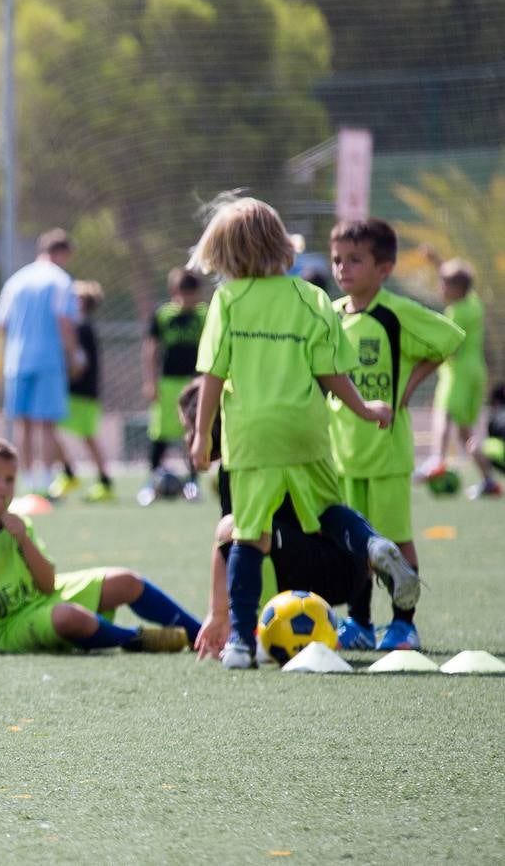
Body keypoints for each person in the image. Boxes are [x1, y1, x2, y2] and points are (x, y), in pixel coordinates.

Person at [187, 196, 413, 669]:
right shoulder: (312, 298)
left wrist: (203, 434)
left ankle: (243, 644)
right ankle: (371, 542)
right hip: (306, 429)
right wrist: (363, 406)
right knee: (329, 509)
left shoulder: (227, 300)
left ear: (224, 255)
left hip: (251, 436)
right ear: (280, 245)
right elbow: (330, 371)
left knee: (248, 535)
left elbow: (211, 374)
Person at [0, 438, 198, 656]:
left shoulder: (18, 521)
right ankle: (138, 639)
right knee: (68, 617)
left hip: (41, 599)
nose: (3, 486)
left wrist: (23, 539)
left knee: (127, 581)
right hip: (5, 629)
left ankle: (203, 634)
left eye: (10, 479)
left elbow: (48, 583)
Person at [174, 378, 411, 661]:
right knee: (259, 534)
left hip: (322, 571)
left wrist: (218, 613)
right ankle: (363, 597)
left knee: (241, 531)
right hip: (350, 568)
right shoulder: (290, 439)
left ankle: (252, 635)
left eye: (191, 427)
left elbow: (228, 536)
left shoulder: (240, 462)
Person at [326, 218, 462, 651]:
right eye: (337, 260)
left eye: (354, 260)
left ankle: (405, 625)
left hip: (386, 450)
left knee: (396, 538)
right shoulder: (329, 316)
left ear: (384, 268)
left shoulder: (395, 313)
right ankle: (360, 624)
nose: (342, 269)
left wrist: (409, 385)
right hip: (342, 451)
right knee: (355, 547)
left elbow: (449, 340)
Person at [0, 229, 82, 495]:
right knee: (47, 424)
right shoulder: (60, 280)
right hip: (48, 360)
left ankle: (29, 480)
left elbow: (0, 323)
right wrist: (74, 355)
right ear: (62, 253)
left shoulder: (17, 280)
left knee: (25, 424)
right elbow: (64, 321)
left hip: (17, 360)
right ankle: (47, 481)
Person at [420, 259, 496, 497]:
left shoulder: (456, 312)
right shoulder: (474, 304)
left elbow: (448, 345)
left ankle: (436, 460)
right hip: (476, 372)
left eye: (444, 284)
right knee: (467, 433)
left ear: (456, 288)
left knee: (443, 414)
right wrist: (435, 260)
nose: (440, 288)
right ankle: (489, 481)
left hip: (459, 373)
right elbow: (461, 278)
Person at [140, 268, 206, 504]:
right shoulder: (163, 315)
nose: (187, 299)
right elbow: (151, 349)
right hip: (168, 383)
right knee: (160, 432)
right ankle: (151, 482)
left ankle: (193, 483)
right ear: (174, 292)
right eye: (183, 293)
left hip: (195, 383)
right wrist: (150, 381)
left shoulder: (204, 315)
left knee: (193, 432)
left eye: (192, 293)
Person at [49, 281, 113, 502]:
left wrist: (64, 381)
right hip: (78, 393)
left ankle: (104, 483)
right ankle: (69, 473)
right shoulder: (78, 327)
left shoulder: (81, 328)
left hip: (81, 394)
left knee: (86, 437)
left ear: (82, 302)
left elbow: (79, 366)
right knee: (53, 431)